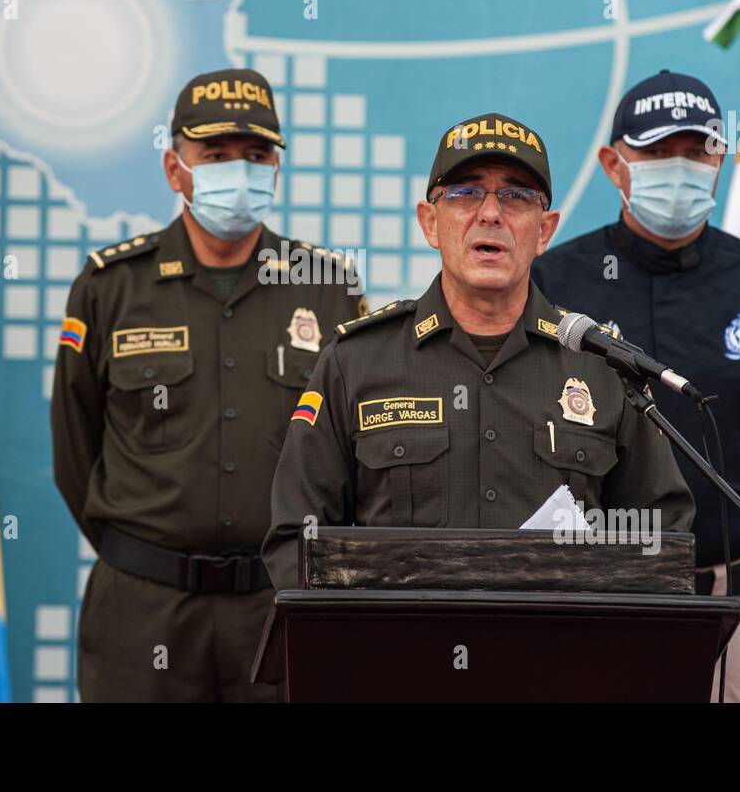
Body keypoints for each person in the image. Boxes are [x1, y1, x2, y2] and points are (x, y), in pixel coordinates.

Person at [262, 112, 694, 592]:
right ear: (430, 222)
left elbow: (661, 536)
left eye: (516, 196)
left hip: (557, 659)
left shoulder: (603, 368)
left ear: (545, 230)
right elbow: (296, 540)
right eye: (465, 193)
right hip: (398, 658)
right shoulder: (356, 361)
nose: (490, 213)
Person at [51, 68, 363, 701]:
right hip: (143, 612)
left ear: (276, 166)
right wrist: (147, 553)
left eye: (255, 155)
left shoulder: (329, 287)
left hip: (278, 606)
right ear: (175, 169)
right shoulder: (111, 285)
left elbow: (349, 454)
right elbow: (74, 447)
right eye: (215, 155)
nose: (238, 171)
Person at [531, 70, 740, 702]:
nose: (680, 166)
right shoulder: (550, 283)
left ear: (721, 157)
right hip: (586, 596)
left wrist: (738, 528)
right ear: (613, 164)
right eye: (655, 151)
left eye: (697, 149)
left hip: (735, 606)